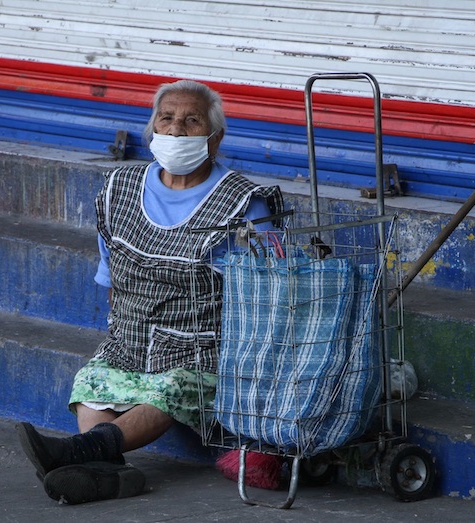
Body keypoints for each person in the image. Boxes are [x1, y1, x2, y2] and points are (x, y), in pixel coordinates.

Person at [16, 79, 284, 505]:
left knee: (171, 389)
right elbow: (112, 276)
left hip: (201, 350)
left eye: (192, 121)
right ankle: (107, 469)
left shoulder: (242, 202)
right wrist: (123, 339)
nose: (177, 130)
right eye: (167, 118)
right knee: (91, 381)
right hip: (130, 340)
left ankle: (80, 454)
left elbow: (271, 291)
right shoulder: (119, 187)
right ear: (153, 129)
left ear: (215, 139)